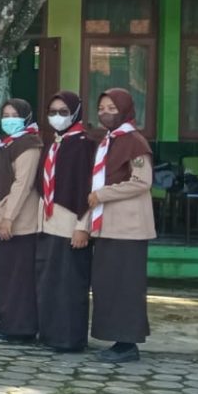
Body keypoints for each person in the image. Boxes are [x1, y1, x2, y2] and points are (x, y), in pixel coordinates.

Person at [83, 88, 154, 363]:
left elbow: (142, 182)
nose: (105, 113)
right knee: (109, 284)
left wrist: (103, 194)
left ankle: (127, 344)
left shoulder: (134, 141)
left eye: (112, 108)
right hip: (108, 225)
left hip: (128, 227)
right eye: (101, 108)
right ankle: (117, 340)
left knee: (126, 285)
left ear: (125, 110)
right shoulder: (109, 141)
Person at [35, 90, 97, 353]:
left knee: (70, 284)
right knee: (49, 282)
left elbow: (90, 189)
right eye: (52, 112)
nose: (57, 117)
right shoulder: (54, 142)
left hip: (71, 224)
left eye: (63, 112)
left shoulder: (85, 144)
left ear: (76, 113)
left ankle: (69, 338)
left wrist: (83, 227)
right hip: (48, 223)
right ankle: (50, 334)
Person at [0, 98, 43, 342]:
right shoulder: (6, 143)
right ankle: (8, 322)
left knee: (19, 278)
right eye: (6, 115)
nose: (10, 120)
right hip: (2, 218)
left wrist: (8, 218)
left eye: (15, 116)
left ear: (27, 118)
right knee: (5, 275)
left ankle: (21, 328)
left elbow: (23, 184)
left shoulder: (29, 144)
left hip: (20, 223)